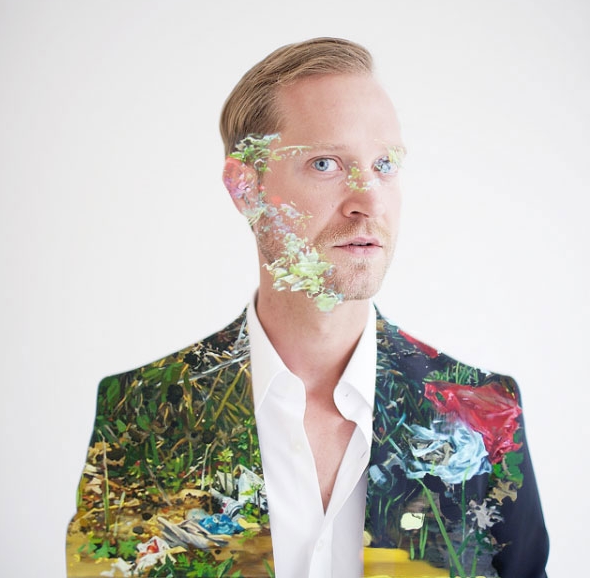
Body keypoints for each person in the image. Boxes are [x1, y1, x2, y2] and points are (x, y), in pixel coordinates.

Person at [66, 37, 549, 578]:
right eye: (325, 163)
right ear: (245, 189)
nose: (368, 200)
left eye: (384, 164)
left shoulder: (483, 415)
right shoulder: (140, 415)